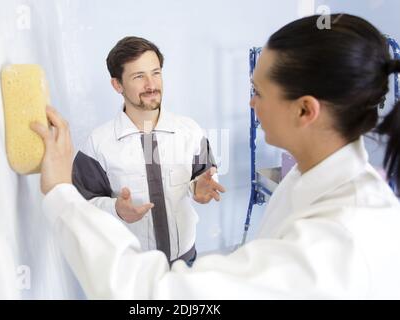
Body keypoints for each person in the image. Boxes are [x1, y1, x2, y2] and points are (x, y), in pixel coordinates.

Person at [31, 14, 400, 299]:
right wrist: (111, 208)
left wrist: (59, 194)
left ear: (305, 111)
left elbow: (155, 296)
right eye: (139, 76)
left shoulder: (337, 242)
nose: (250, 102)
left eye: (257, 90)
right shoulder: (304, 180)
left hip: (180, 258)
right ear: (118, 84)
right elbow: (93, 199)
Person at [70, 36, 225, 266]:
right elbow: (81, 205)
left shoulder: (190, 131)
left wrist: (198, 187)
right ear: (117, 84)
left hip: (185, 261)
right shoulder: (97, 145)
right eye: (139, 76)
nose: (151, 85)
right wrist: (117, 209)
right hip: (131, 269)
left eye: (156, 73)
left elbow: (204, 178)